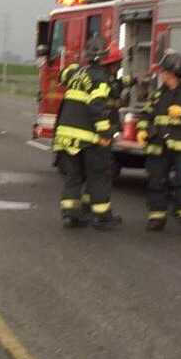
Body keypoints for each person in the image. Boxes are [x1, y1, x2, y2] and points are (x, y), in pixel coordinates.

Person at [54, 35, 123, 230]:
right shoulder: (100, 79)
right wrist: (106, 132)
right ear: (105, 58)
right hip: (87, 137)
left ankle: (70, 215)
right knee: (98, 175)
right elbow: (96, 106)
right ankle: (102, 217)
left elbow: (62, 75)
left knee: (74, 176)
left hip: (66, 136)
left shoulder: (77, 73)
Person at [139, 51, 181, 234]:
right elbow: (147, 113)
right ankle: (157, 217)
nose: (163, 75)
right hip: (159, 145)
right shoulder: (158, 95)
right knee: (156, 181)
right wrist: (143, 130)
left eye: (165, 72)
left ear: (174, 73)